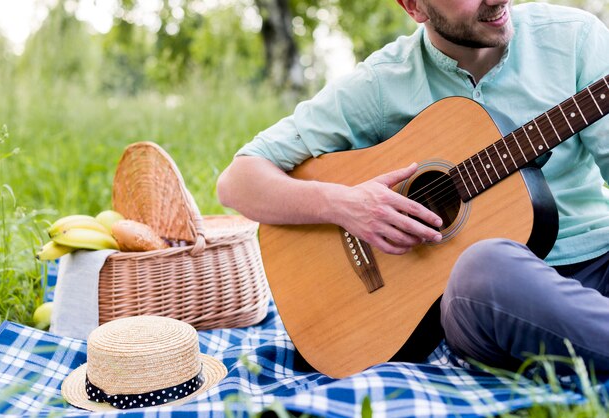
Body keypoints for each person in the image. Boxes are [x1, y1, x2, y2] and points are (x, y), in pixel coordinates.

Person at [217, 0, 609, 373]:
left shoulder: (574, 38)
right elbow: (238, 182)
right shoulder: (382, 83)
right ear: (413, 7)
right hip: (493, 294)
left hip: (597, 262)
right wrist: (347, 205)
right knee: (481, 268)